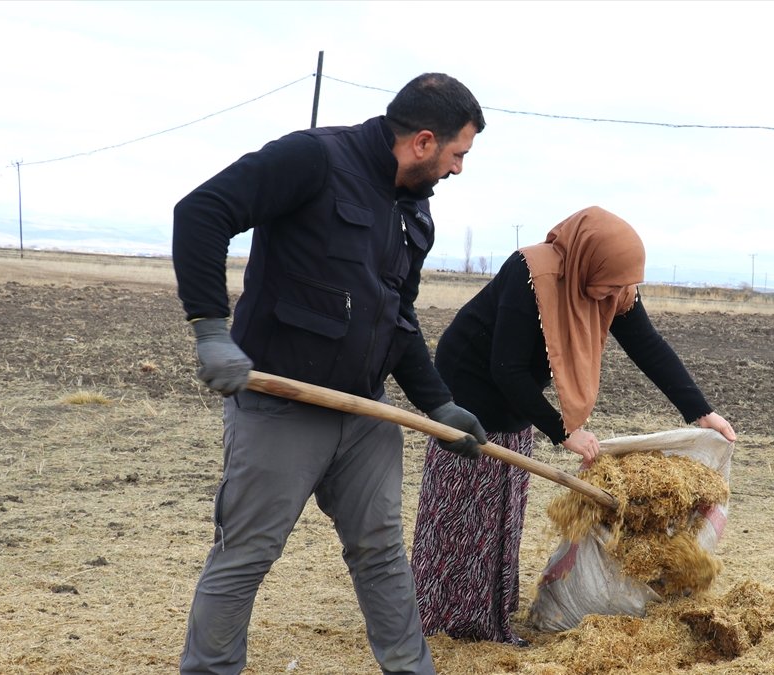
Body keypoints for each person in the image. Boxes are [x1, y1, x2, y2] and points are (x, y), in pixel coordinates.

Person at [172, 73, 489, 675]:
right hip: (281, 406)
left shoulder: (413, 213)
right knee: (247, 554)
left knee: (381, 554)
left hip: (364, 414)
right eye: (458, 154)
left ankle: (410, 668)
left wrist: (438, 405)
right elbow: (202, 212)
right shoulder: (313, 158)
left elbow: (397, 317)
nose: (458, 169)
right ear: (424, 140)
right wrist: (210, 330)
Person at [410, 206, 737, 646]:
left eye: (625, 287)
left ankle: (488, 614)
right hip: (470, 385)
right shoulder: (530, 272)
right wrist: (563, 430)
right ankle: (445, 615)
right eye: (612, 285)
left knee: (504, 506)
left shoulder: (613, 286)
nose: (617, 296)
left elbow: (648, 346)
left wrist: (700, 411)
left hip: (515, 392)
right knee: (467, 506)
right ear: (587, 259)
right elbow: (505, 368)